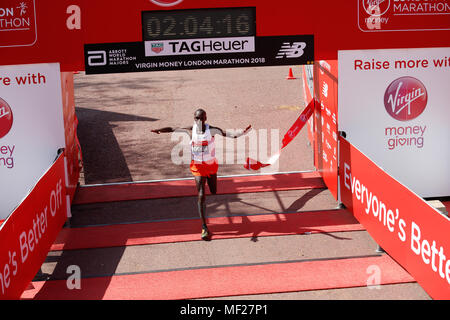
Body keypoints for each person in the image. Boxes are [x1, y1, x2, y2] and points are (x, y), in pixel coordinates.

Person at [151, 108, 252, 240]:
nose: (198, 121)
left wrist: (242, 132)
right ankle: (204, 227)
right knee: (201, 195)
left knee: (214, 191)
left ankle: (211, 184)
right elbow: (173, 128)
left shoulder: (212, 130)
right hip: (197, 166)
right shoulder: (191, 129)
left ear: (205, 118)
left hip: (210, 165)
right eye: (196, 118)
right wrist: (160, 130)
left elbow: (228, 134)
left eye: (200, 118)